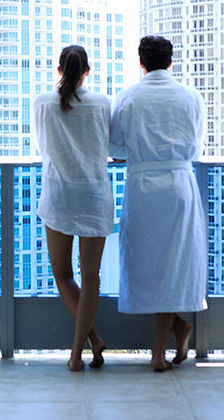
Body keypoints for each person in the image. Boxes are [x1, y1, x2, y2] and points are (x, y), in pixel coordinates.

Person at [109, 36, 208, 371]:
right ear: (170, 62)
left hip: (142, 186)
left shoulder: (129, 97)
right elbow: (195, 148)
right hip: (180, 185)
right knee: (174, 264)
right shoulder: (190, 96)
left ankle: (159, 348)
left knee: (145, 263)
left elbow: (117, 148)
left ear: (141, 62)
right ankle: (175, 329)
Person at [34, 45, 114, 371]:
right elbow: (112, 145)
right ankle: (81, 349)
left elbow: (41, 145)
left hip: (59, 196)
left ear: (58, 70)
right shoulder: (103, 104)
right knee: (91, 277)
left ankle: (88, 346)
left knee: (63, 275)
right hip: (95, 196)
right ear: (88, 71)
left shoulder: (42, 103)